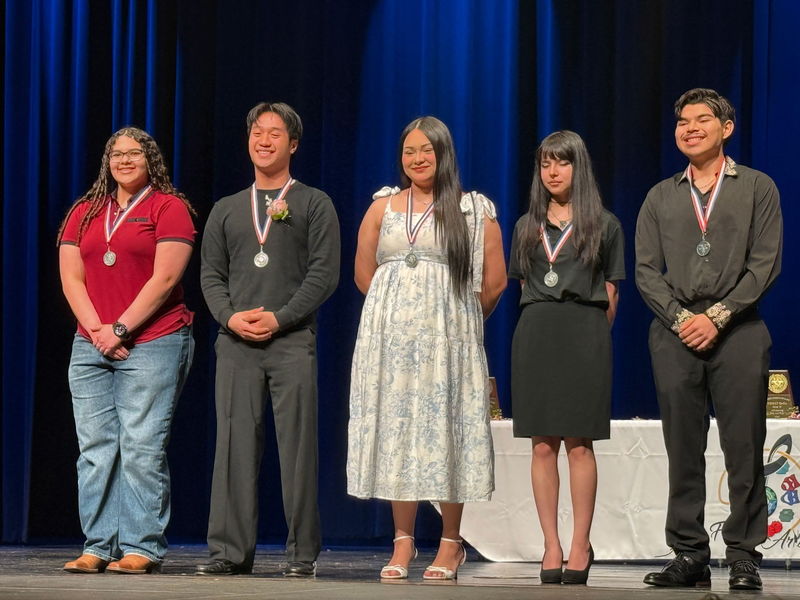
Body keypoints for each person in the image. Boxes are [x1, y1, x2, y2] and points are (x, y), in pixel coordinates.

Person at [346, 116, 506, 581]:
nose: (417, 159)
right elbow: (363, 274)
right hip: (392, 344)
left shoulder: (472, 209)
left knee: (445, 430)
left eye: (426, 150)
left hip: (447, 343)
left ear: (444, 154)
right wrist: (395, 317)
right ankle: (403, 543)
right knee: (399, 431)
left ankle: (451, 544)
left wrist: (453, 324)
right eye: (409, 151)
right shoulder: (383, 206)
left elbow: (493, 283)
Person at [636, 88, 782, 591]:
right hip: (675, 331)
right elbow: (646, 272)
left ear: (727, 127)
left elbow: (764, 264)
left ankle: (743, 554)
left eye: (703, 119)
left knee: (743, 445)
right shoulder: (660, 195)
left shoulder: (757, 187)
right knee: (683, 446)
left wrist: (717, 316)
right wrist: (682, 319)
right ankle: (690, 553)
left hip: (738, 328)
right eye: (682, 121)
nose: (690, 127)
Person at [198, 102, 340, 577]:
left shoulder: (314, 203)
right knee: (233, 447)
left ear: (293, 144)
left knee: (297, 451)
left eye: (275, 134)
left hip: (292, 342)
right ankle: (228, 553)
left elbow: (323, 275)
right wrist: (229, 318)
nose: (264, 140)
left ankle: (301, 555)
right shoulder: (225, 209)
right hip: (235, 344)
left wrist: (280, 319)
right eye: (257, 132)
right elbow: (211, 276)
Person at [58, 127, 196, 574]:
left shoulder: (169, 208)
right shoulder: (84, 211)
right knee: (95, 448)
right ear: (106, 161)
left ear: (150, 159)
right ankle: (97, 545)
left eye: (134, 153)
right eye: (116, 153)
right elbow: (72, 278)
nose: (124, 160)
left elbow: (165, 279)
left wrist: (120, 329)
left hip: (154, 340)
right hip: (90, 342)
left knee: (141, 445)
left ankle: (141, 546)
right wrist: (97, 330)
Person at [508, 130, 625, 585]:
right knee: (542, 445)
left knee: (579, 444)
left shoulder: (605, 224)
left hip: (585, 332)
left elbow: (612, 293)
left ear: (579, 167)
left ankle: (580, 543)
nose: (553, 172)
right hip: (537, 332)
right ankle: (551, 544)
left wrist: (591, 337)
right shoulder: (524, 226)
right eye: (545, 164)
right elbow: (522, 286)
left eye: (562, 163)